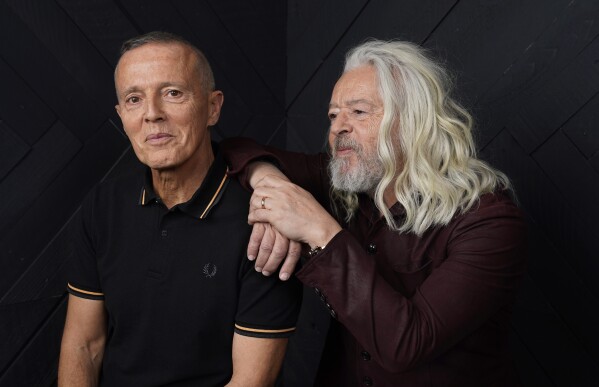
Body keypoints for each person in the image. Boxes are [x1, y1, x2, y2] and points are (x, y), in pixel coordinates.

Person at [222, 40, 527, 386]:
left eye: (359, 112)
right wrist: (274, 186)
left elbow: (406, 343)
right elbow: (234, 150)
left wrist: (319, 230)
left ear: (412, 120)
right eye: (333, 115)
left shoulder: (488, 220)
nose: (338, 128)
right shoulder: (344, 181)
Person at [57, 31, 300, 387]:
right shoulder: (103, 206)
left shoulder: (263, 227)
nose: (152, 115)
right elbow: (83, 346)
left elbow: (251, 381)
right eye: (134, 99)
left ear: (213, 107)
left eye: (173, 93)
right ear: (121, 115)